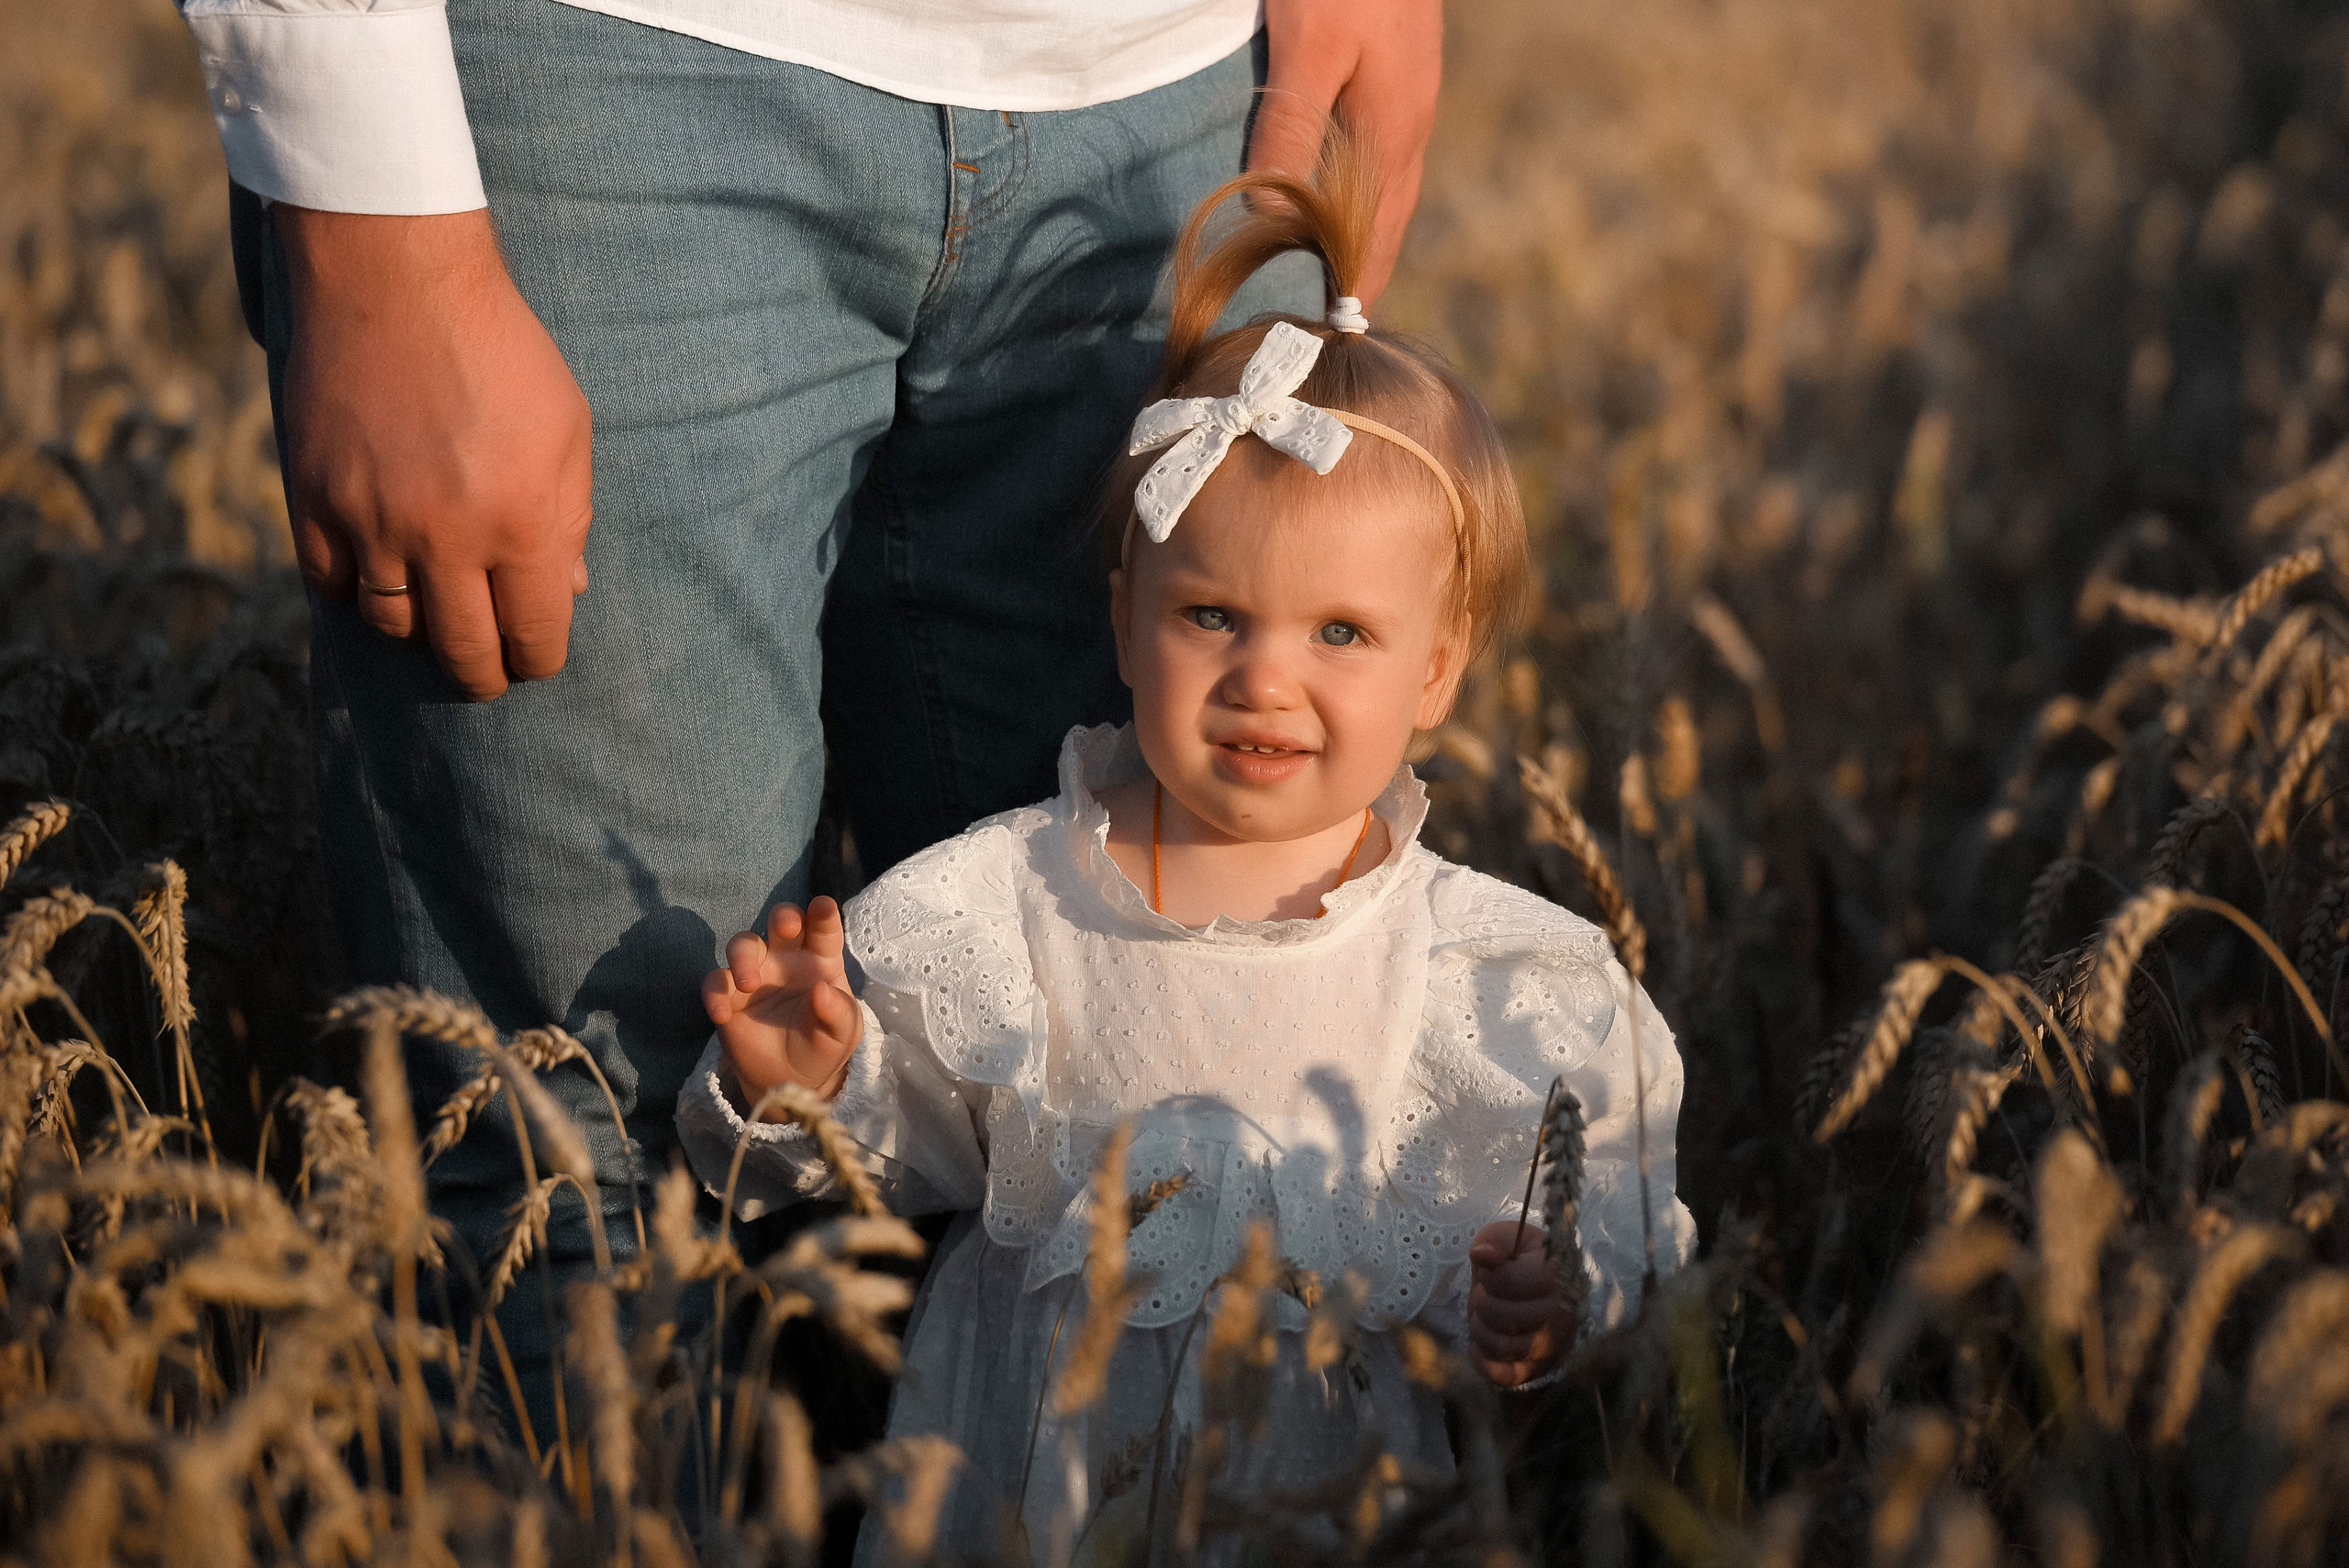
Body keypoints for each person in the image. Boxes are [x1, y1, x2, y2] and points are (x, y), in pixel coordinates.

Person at [174, 0, 1442, 1409]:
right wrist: (371, 215)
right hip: (590, 73)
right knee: (585, 1158)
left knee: (1193, 1053)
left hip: (1182, 89)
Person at [679, 148, 1698, 1560]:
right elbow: (871, 1160)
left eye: (1340, 632)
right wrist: (805, 1083)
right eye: (1212, 614)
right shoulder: (1005, 903)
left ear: (1438, 669)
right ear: (1123, 618)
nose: (1266, 678)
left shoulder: (1477, 974)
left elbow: (1592, 1227)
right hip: (1025, 1503)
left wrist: (1550, 1298)